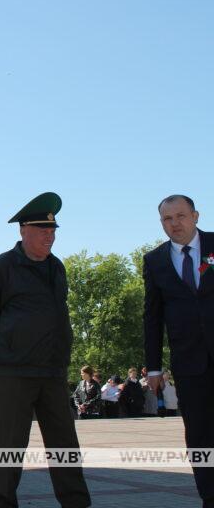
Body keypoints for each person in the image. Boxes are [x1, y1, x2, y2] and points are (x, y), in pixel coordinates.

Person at [0, 192, 91, 508]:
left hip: (53, 372)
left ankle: (77, 502)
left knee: (65, 444)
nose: (49, 237)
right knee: (11, 446)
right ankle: (1, 503)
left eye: (53, 231)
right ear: (23, 230)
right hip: (16, 373)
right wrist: (8, 352)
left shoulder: (57, 268)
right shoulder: (1, 267)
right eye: (42, 230)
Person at [143, 194, 214, 507]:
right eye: (167, 219)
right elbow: (153, 317)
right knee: (199, 433)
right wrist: (154, 367)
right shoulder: (154, 260)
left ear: (195, 216)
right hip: (189, 363)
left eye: (181, 216)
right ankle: (209, 495)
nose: (175, 224)